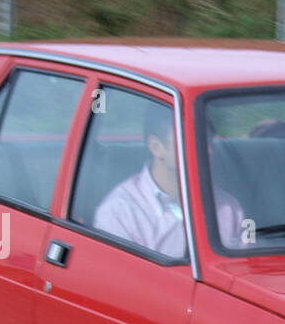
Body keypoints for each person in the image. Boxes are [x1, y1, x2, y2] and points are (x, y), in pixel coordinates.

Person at [94, 104, 246, 254]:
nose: (209, 151)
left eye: (209, 140)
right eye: (194, 141)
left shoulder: (229, 207)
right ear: (156, 147)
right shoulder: (119, 213)